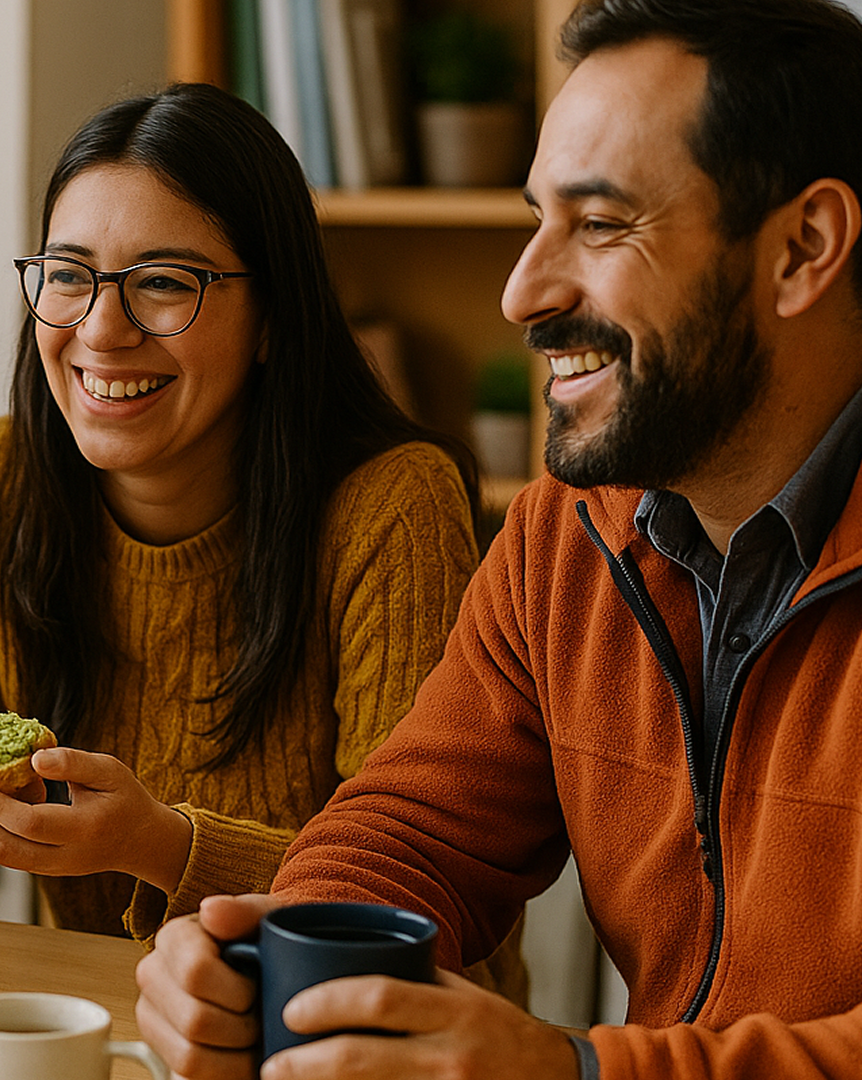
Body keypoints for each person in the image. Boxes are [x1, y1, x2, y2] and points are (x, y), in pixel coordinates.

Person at [134, 2, 862, 1078]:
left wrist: (577, 1071)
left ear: (802, 248)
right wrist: (278, 953)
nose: (524, 289)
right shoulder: (565, 535)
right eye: (535, 218)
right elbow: (419, 829)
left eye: (602, 224)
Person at [0, 80, 521, 993]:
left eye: (165, 284)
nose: (102, 331)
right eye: (68, 276)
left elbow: (410, 911)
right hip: (124, 1031)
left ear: (270, 318)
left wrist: (162, 845)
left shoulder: (390, 506)